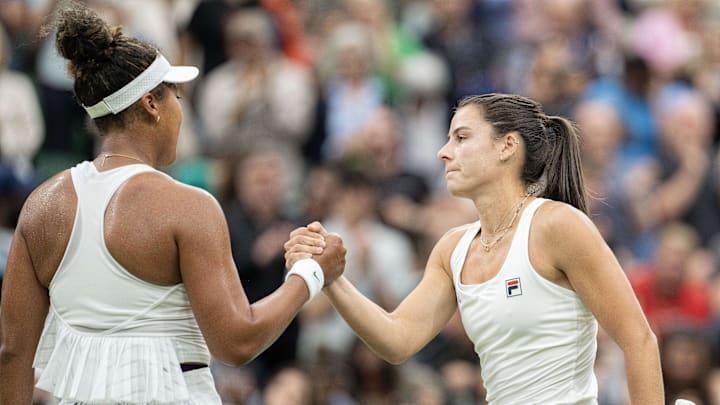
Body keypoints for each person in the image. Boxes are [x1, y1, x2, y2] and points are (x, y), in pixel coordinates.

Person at [0, 2, 345, 404]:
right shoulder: (188, 206)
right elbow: (236, 341)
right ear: (151, 104)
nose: (181, 109)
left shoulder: (41, 204)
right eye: (175, 96)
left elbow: (12, 350)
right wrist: (312, 273)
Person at [286, 93, 664, 403]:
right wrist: (332, 278)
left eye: (461, 138)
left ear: (507, 146)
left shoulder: (558, 225)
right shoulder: (452, 247)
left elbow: (639, 340)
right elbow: (396, 340)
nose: (443, 152)